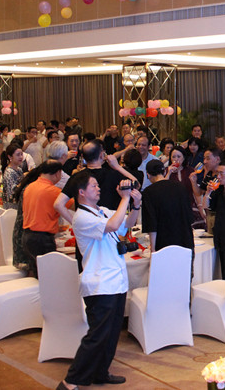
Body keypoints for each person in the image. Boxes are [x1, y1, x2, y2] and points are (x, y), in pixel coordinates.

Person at [56, 174, 141, 390]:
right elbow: (113, 225)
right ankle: (70, 382)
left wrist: (135, 204)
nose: (98, 188)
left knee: (111, 333)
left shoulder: (101, 210)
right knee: (97, 335)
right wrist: (124, 198)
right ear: (81, 192)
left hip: (116, 280)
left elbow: (126, 224)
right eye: (94, 185)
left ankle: (101, 372)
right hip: (99, 283)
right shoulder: (81, 217)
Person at [141, 160, 195, 255]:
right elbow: (189, 217)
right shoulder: (180, 187)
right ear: (164, 172)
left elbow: (151, 224)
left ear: (148, 175)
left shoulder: (148, 192)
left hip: (164, 244)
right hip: (186, 241)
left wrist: (153, 250)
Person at [21, 160, 64, 277]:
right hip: (42, 239)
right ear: (57, 173)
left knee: (38, 274)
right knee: (49, 276)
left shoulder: (30, 187)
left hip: (27, 236)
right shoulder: (53, 191)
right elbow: (75, 206)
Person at [190, 147, 222, 233]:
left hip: (221, 214)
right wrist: (193, 182)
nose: (204, 161)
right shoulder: (209, 174)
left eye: (208, 158)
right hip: (210, 213)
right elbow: (199, 192)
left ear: (217, 159)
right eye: (204, 158)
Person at [0, 143, 25, 210]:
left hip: (19, 204)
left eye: (21, 154)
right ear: (10, 157)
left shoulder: (19, 169)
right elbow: (13, 192)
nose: (21, 157)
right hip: (11, 206)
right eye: (18, 155)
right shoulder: (9, 172)